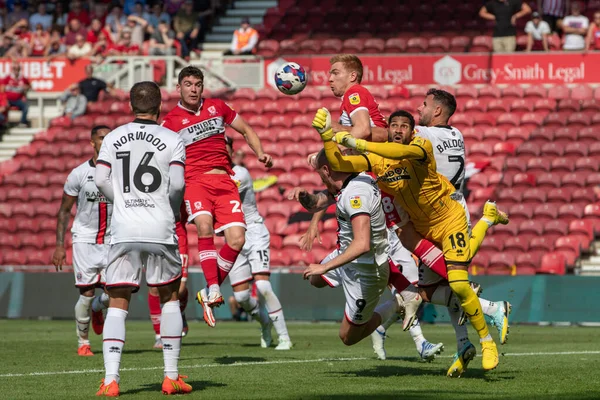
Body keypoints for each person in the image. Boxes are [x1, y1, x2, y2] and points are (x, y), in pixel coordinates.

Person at [313, 107, 500, 374]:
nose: (399, 130)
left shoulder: (420, 146)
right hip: (421, 229)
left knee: (458, 282)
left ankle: (486, 341)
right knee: (433, 287)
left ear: (413, 131)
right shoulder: (377, 161)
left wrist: (358, 143)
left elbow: (400, 153)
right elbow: (340, 165)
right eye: (394, 125)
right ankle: (488, 220)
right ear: (387, 130)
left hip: (449, 218)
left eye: (404, 126)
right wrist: (327, 137)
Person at [94, 81, 191, 396]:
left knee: (118, 302)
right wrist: (172, 210)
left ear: (130, 105)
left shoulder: (113, 137)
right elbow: (176, 184)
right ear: (161, 105)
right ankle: (171, 376)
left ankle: (111, 380)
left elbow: (100, 179)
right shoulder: (172, 138)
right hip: (160, 227)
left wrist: (121, 202)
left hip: (123, 229)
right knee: (169, 298)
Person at [161, 66, 273, 328]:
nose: (193, 89)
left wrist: (260, 153)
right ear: (179, 88)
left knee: (237, 239)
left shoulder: (218, 107)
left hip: (224, 179)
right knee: (204, 226)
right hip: (195, 181)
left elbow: (246, 129)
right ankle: (213, 288)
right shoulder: (170, 122)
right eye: (188, 84)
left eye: (198, 84)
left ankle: (208, 291)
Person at [300, 151, 403, 346]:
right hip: (346, 255)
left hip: (366, 272)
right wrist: (303, 195)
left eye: (320, 174)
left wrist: (325, 266)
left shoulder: (356, 195)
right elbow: (316, 203)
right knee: (314, 279)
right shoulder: (353, 179)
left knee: (348, 337)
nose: (320, 179)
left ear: (326, 170)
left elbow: (362, 244)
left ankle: (396, 305)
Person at [225, 135, 292, 350]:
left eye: (224, 148)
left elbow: (222, 196)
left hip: (253, 232)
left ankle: (284, 337)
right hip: (232, 237)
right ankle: (264, 323)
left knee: (262, 285)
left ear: (231, 152)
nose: (220, 151)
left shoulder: (240, 173)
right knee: (242, 296)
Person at [51, 125, 112, 357]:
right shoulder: (79, 173)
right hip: (85, 239)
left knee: (114, 294)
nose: (105, 142)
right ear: (92, 143)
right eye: (101, 138)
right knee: (86, 295)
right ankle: (83, 343)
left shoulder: (120, 171)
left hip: (113, 240)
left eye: (108, 138)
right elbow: (65, 210)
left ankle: (99, 308)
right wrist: (59, 245)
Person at [148, 205, 191, 349]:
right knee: (154, 288)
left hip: (178, 235)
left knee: (179, 289)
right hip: (154, 235)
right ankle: (159, 335)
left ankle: (182, 313)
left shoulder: (182, 183)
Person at [0, 62, 30, 128]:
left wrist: (26, 89)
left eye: (18, 69)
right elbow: (2, 89)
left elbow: (29, 86)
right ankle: (4, 123)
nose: (16, 70)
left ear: (20, 69)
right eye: (14, 68)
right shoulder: (8, 78)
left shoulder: (23, 79)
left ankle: (23, 122)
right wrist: (4, 100)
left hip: (17, 100)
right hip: (8, 99)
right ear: (12, 69)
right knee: (3, 107)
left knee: (26, 106)